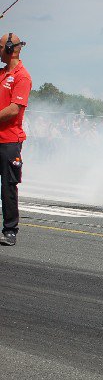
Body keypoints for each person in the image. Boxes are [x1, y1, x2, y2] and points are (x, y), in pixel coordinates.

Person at [0, 33, 31, 246]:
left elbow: (13, 110)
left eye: (0, 47)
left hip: (9, 141)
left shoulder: (22, 77)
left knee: (8, 187)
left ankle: (10, 230)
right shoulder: (2, 73)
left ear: (10, 49)